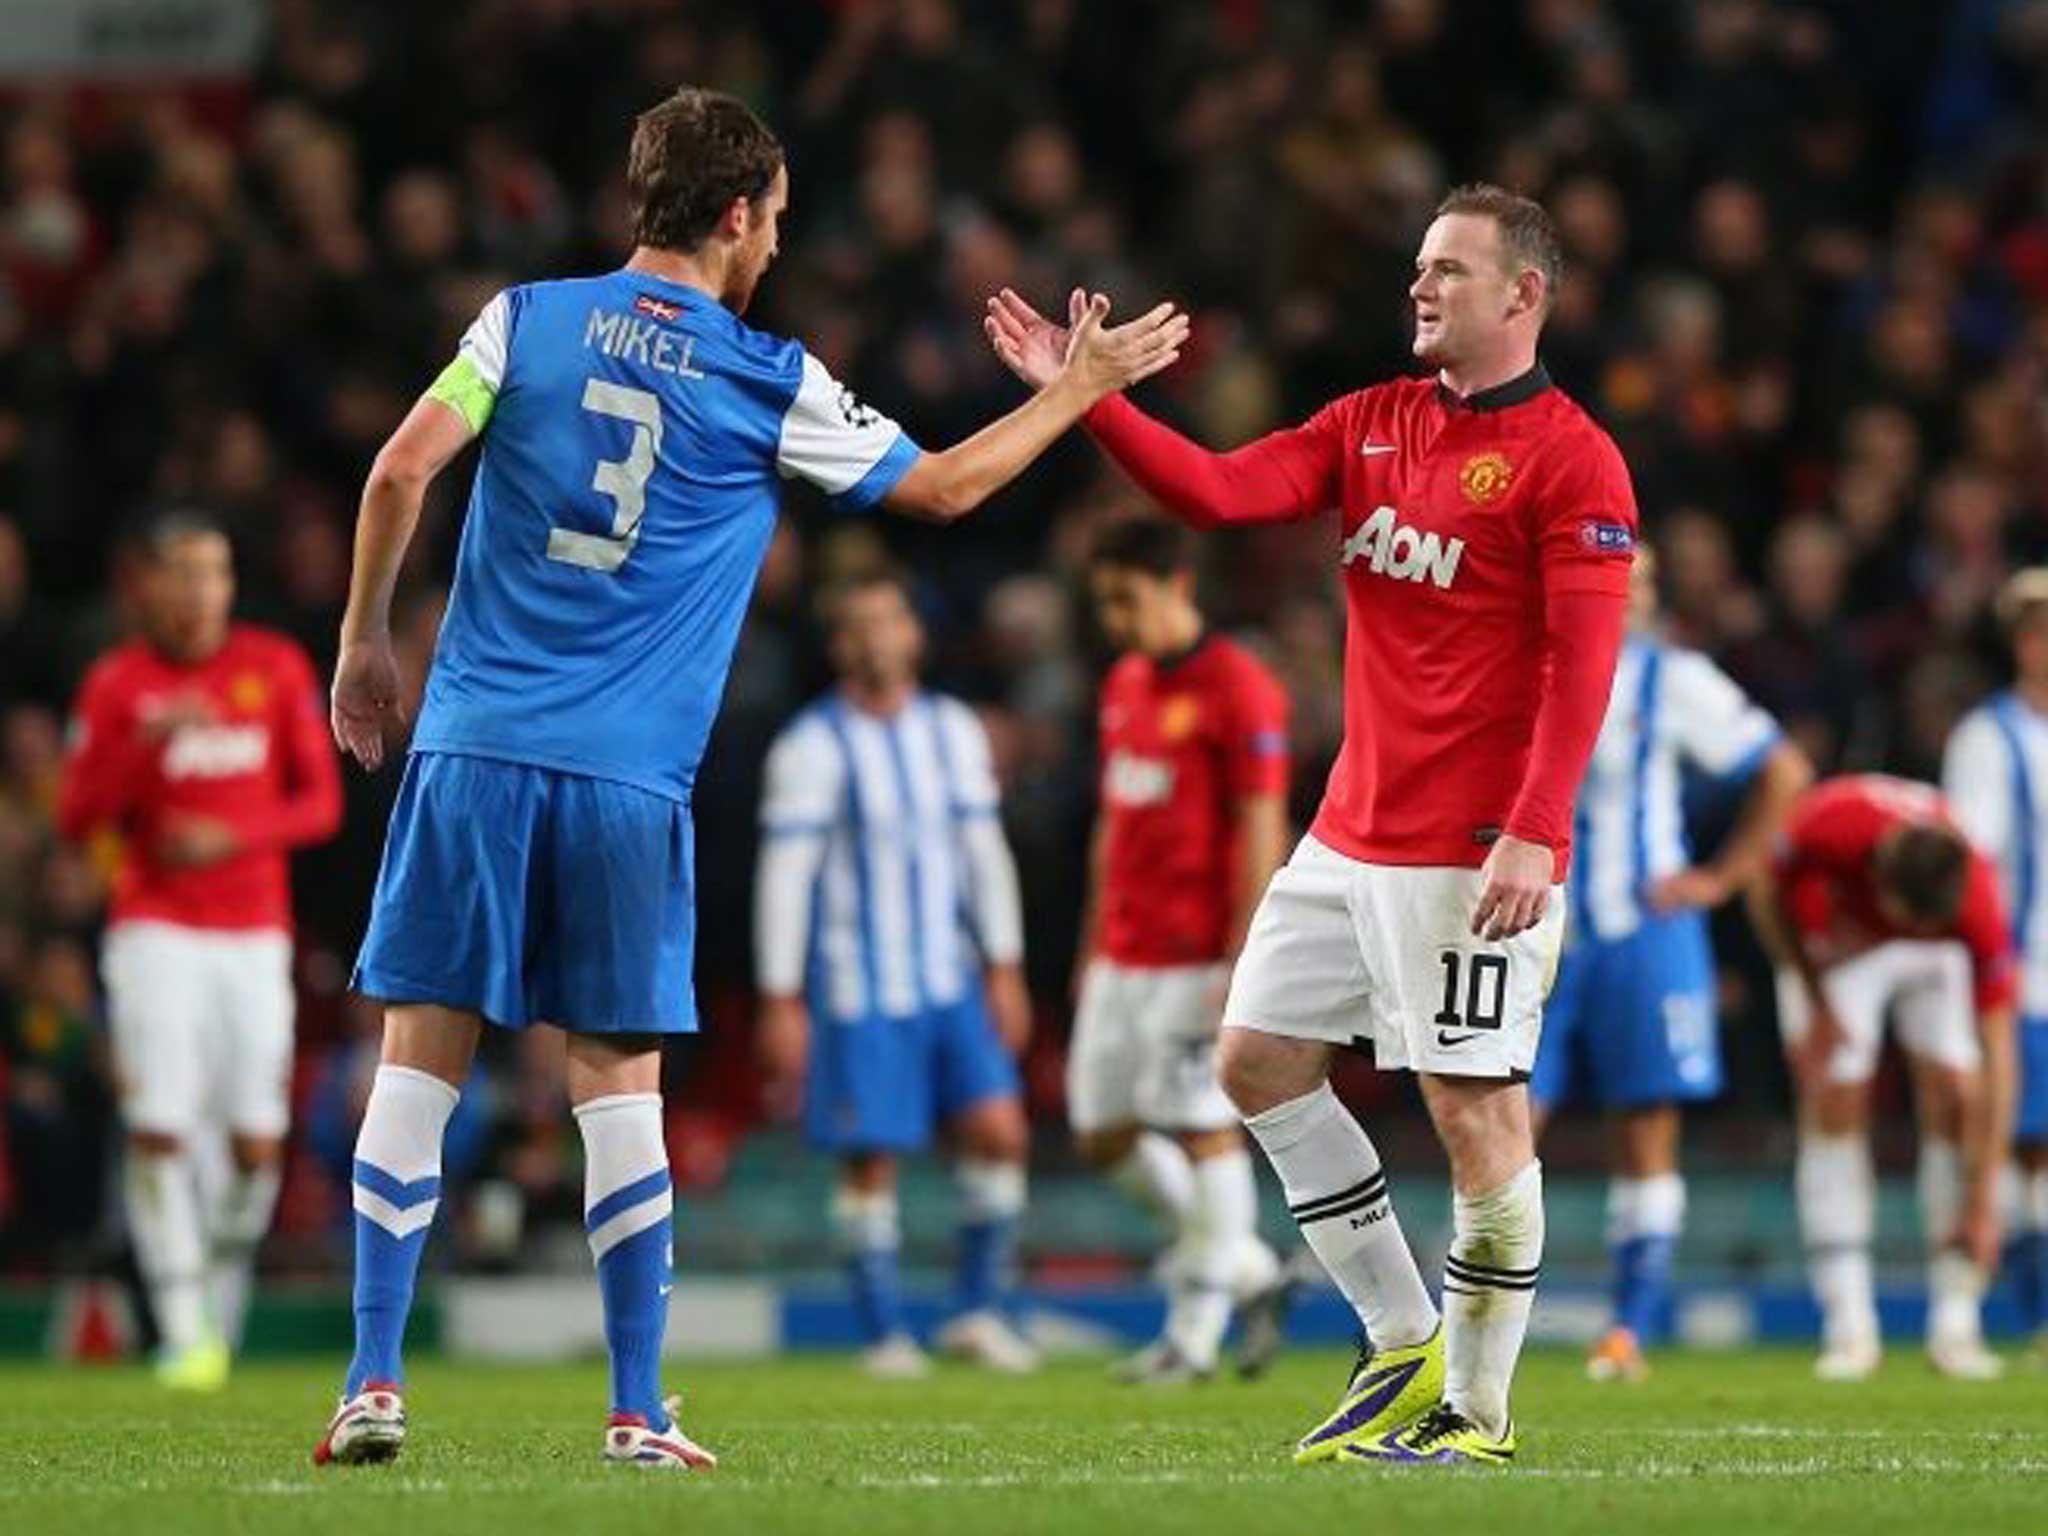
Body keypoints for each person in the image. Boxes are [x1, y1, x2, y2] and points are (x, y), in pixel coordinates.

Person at [315, 87, 1186, 1470]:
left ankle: (371, 1381)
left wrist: (365, 643)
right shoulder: (768, 376)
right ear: (734, 214)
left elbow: (397, 472)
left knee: (418, 1067)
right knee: (616, 1086)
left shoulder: (520, 319)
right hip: (621, 783)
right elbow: (950, 490)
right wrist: (1079, 391)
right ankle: (635, 1409)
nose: (777, 245)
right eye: (773, 218)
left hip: (469, 749)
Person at [987, 183, 1637, 1465]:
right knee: (1254, 1062)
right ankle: (1400, 1335)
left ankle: (1476, 1415)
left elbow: (1583, 665)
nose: (1420, 286)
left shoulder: (1573, 459)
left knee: (1472, 1114)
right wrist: (1085, 397)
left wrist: (1533, 830)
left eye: (1449, 270)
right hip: (1349, 833)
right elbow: (1221, 495)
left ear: (1523, 295)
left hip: (1470, 850)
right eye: (1417, 266)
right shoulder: (1372, 423)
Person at [56, 510, 342, 1389]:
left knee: (257, 1148)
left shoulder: (273, 667)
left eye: (211, 571)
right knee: (160, 1130)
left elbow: (320, 803)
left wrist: (235, 836)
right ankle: (183, 1329)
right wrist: (142, 744)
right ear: (148, 586)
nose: (195, 589)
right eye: (179, 572)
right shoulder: (118, 686)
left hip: (254, 934)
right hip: (154, 930)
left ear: (228, 584)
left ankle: (217, 1297)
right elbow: (77, 817)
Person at [1530, 543, 1809, 1382]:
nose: (1632, 596)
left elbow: (1784, 770)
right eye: (1620, 579)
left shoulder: (1671, 679)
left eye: (1645, 583)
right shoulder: (1520, 664)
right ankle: (1466, 1321)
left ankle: (1628, 1329)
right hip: (1528, 927)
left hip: (1642, 935)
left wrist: (1723, 877)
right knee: (1501, 1127)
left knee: (1645, 1129)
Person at [754, 570, 1036, 1378]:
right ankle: (883, 1336)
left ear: (914, 634)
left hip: (949, 979)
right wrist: (781, 997)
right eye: (859, 624)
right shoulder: (811, 745)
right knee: (871, 1159)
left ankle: (976, 1314)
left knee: (1000, 1133)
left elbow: (984, 854)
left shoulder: (951, 729)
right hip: (859, 987)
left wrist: (1006, 965)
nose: (876, 637)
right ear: (840, 645)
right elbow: (786, 877)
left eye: (889, 619)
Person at [1072, 516, 1293, 1384]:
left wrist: (1246, 954)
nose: (1115, 620)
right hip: (1122, 951)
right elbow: (1112, 821)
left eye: (1127, 600)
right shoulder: (1124, 683)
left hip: (1199, 953)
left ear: (1178, 586)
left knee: (1204, 1130)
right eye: (1105, 603)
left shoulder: (1240, 687)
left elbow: (1260, 823)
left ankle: (1192, 1336)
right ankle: (1246, 1267)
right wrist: (1092, 936)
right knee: (1101, 1135)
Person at [1749, 775, 2018, 1381]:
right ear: (1880, 889)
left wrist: (1983, 1204)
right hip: (1833, 943)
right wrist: (1812, 995)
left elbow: (2000, 1060)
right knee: (1834, 1096)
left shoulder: (1975, 903)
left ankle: (1957, 1323)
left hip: (1927, 943)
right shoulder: (1826, 825)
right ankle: (1848, 1326)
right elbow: (1764, 895)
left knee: (1956, 1093)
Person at [1942, 567, 2048, 1362]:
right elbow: (1969, 860)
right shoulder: (1989, 737)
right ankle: (1963, 1309)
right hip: (2018, 975)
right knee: (1997, 1139)